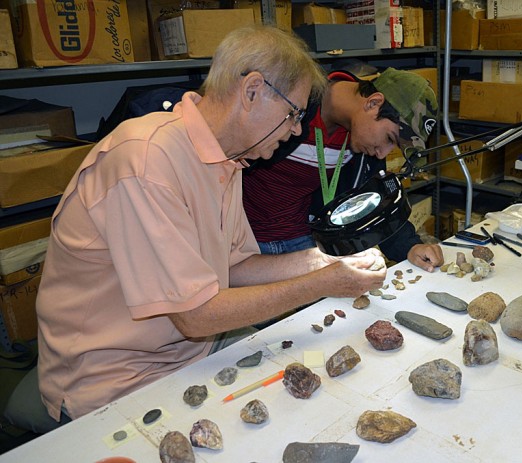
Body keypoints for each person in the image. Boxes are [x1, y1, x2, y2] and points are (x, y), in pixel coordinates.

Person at [6, 26, 388, 434]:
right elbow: (194, 315)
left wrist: (322, 260)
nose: (295, 130)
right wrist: (323, 283)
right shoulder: (146, 160)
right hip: (111, 377)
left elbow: (236, 264)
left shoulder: (227, 159)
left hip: (185, 351)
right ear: (253, 90)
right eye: (293, 114)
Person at [242, 67, 445, 271]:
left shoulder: (363, 140)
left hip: (306, 244)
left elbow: (376, 199)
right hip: (245, 247)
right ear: (374, 102)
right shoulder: (292, 102)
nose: (383, 154)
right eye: (390, 138)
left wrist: (409, 246)